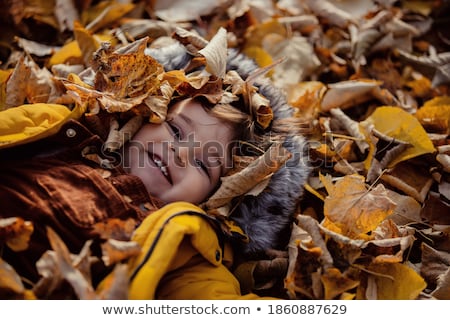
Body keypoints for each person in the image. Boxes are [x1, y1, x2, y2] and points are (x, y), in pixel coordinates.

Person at [0, 34, 310, 299]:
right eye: (176, 131)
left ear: (219, 201)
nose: (181, 154)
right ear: (141, 112)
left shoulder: (188, 251)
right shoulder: (64, 131)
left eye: (204, 164)